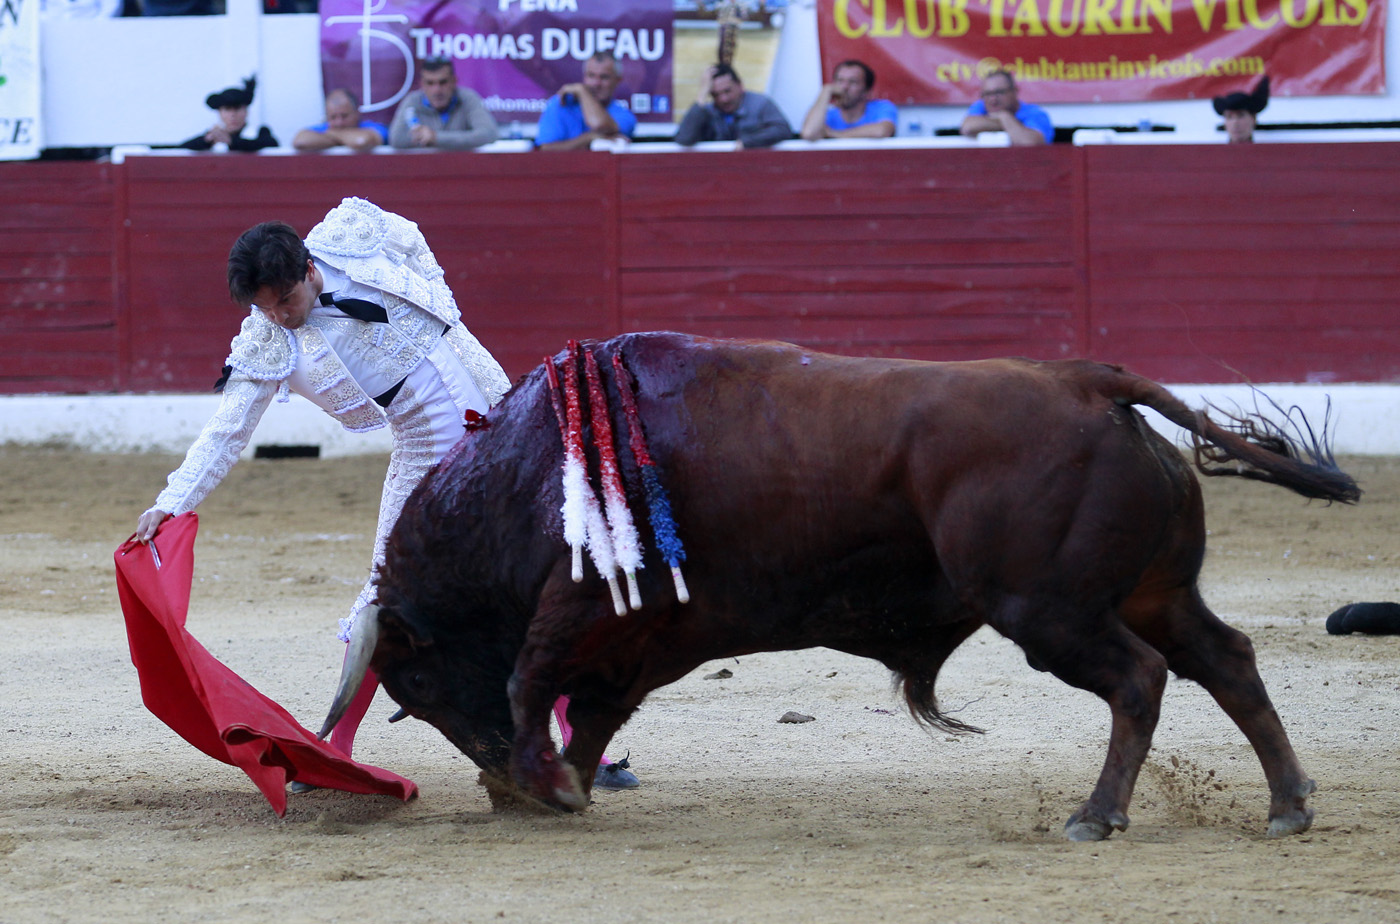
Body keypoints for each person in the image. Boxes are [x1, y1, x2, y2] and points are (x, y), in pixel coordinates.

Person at [133, 198, 639, 791]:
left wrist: (441, 307)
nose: (279, 318)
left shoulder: (352, 235)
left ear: (308, 269)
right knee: (383, 597)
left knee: (543, 584)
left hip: (511, 424)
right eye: (264, 309)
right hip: (428, 457)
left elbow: (411, 235)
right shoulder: (267, 343)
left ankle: (582, 750)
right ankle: (334, 746)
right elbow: (226, 432)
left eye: (285, 302)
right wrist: (173, 501)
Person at [534, 51, 637, 151]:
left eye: (604, 77)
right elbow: (546, 149)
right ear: (584, 76)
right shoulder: (561, 104)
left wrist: (582, 91)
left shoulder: (625, 116)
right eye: (591, 75)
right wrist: (589, 138)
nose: (596, 83)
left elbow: (599, 125)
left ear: (618, 80)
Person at [388, 57, 498, 150]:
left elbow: (488, 134)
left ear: (454, 81)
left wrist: (436, 137)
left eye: (443, 82)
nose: (437, 90)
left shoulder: (468, 98)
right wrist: (424, 137)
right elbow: (396, 139)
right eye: (430, 83)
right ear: (422, 84)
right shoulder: (413, 101)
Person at [674, 64, 793, 149]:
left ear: (740, 85)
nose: (723, 99)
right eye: (715, 94)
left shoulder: (760, 104)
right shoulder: (707, 111)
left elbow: (782, 129)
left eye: (727, 91)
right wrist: (702, 95)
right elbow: (684, 139)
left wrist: (747, 142)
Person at [799, 59, 897, 141]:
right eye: (840, 81)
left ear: (867, 91)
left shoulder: (882, 107)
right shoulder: (827, 114)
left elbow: (882, 131)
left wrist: (835, 134)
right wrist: (826, 91)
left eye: (853, 82)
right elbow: (809, 133)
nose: (844, 87)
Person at [179, 76, 278, 152]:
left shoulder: (259, 132)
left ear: (246, 111)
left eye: (237, 109)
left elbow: (271, 145)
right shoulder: (214, 136)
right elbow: (181, 149)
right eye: (227, 109)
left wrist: (231, 141)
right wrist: (206, 140)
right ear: (220, 113)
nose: (233, 115)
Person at [959, 70, 1052, 146]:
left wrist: (1005, 116)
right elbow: (968, 127)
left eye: (999, 92)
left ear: (1014, 91)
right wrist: (1006, 123)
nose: (993, 99)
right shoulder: (981, 106)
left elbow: (1031, 143)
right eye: (987, 94)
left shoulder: (1035, 113)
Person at [293, 89, 389, 153]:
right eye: (333, 117)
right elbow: (301, 142)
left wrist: (332, 135)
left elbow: (361, 142)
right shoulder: (322, 127)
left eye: (344, 116)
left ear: (357, 113)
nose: (339, 122)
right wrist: (346, 139)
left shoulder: (375, 128)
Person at [1213, 75, 1270, 144]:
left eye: (1240, 116)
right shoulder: (1215, 154)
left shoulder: (1265, 153)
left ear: (1253, 119)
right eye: (1229, 117)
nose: (1235, 123)